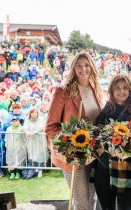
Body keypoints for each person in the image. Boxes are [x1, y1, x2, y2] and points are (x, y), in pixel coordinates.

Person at [45, 52, 103, 210]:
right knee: (82, 202)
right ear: (73, 68)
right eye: (79, 65)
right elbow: (51, 126)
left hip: (94, 155)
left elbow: (98, 122)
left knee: (92, 199)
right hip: (72, 155)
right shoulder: (63, 91)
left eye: (86, 65)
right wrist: (68, 145)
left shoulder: (96, 91)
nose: (83, 69)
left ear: (92, 67)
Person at [93, 74, 131, 210]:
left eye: (125, 88)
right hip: (104, 169)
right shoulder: (105, 111)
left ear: (130, 90)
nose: (121, 91)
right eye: (117, 88)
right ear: (111, 90)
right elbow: (97, 136)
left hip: (128, 170)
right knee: (106, 208)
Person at [23, 108, 48, 179]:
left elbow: (41, 127)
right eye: (32, 113)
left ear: (37, 113)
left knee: (40, 154)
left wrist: (33, 132)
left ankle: (40, 170)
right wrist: (27, 132)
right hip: (31, 140)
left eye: (35, 113)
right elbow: (25, 127)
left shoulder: (41, 119)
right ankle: (34, 169)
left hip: (39, 139)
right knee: (32, 153)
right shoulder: (27, 120)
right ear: (30, 113)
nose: (34, 114)